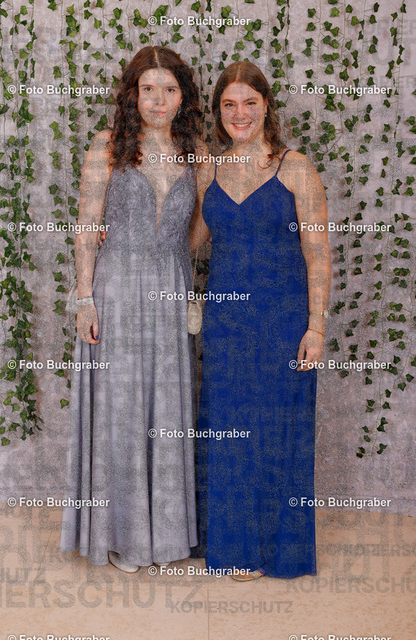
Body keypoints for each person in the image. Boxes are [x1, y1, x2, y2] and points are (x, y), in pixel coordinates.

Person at [59, 46, 204, 573]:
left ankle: (164, 536)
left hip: (169, 287)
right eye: (148, 89)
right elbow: (86, 226)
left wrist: (172, 264)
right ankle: (120, 536)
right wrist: (85, 298)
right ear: (132, 95)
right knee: (120, 410)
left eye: (169, 89)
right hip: (116, 289)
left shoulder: (198, 154)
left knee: (165, 409)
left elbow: (199, 231)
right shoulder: (107, 146)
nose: (158, 100)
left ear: (182, 97)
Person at [188, 61, 331, 580]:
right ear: (218, 111)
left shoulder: (296, 167)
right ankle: (234, 547)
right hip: (226, 325)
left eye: (249, 102)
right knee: (229, 431)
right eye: (229, 104)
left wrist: (316, 327)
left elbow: (318, 253)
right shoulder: (211, 170)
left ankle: (277, 549)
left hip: (283, 322)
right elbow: (190, 244)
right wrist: (122, 234)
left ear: (266, 106)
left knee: (276, 431)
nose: (240, 113)